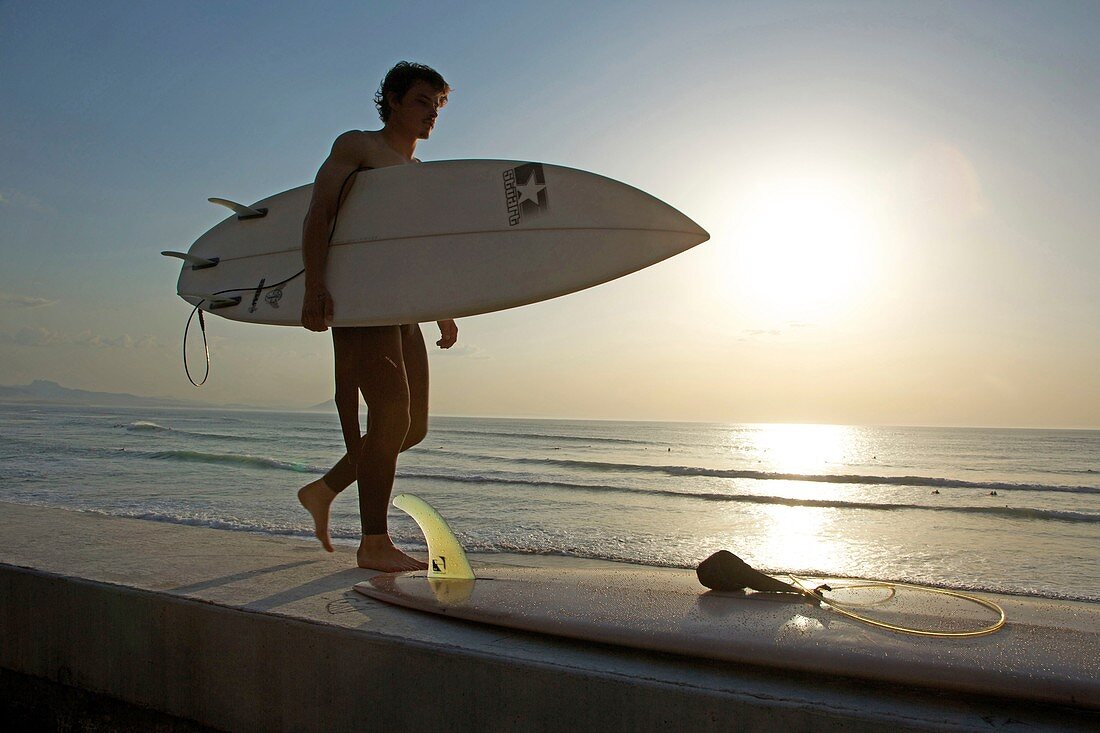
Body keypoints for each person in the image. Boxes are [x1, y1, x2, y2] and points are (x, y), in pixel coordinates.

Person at [295, 62, 456, 572]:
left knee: (412, 428)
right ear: (390, 99)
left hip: (403, 307)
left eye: (437, 104)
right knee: (389, 415)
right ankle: (373, 542)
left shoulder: (420, 175)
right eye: (420, 101)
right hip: (362, 303)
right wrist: (315, 284)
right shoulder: (358, 146)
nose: (431, 112)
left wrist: (444, 310)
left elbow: (419, 254)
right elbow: (319, 211)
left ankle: (323, 490)